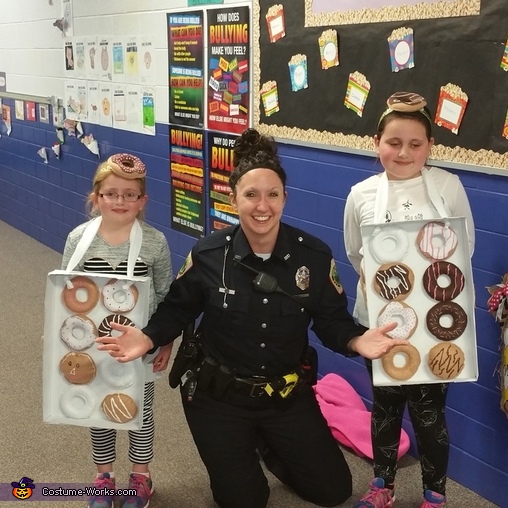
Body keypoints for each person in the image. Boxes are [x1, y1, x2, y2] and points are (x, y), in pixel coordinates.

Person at [97, 128, 407, 508]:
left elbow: (330, 320)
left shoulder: (313, 255)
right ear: (234, 198)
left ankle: (267, 445)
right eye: (251, 195)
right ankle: (241, 452)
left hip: (285, 395)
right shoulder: (209, 254)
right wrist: (146, 337)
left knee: (333, 490)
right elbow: (177, 307)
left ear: (284, 198)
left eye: (272, 195)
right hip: (218, 396)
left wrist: (357, 340)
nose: (263, 206)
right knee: (245, 501)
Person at [343, 92, 475, 508]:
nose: (403, 153)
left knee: (430, 413)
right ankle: (382, 484)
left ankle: (435, 495)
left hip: (435, 319)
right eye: (393, 142)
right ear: (376, 142)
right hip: (380, 322)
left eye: (415, 144)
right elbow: (355, 252)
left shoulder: (447, 186)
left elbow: (463, 249)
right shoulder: (361, 194)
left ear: (429, 146)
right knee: (385, 406)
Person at [61, 153, 173, 508]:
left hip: (141, 344)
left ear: (143, 201)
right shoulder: (78, 239)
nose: (120, 201)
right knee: (98, 410)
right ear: (96, 197)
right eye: (111, 193)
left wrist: (166, 341)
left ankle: (141, 475)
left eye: (129, 194)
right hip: (90, 344)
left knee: (138, 412)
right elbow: (63, 293)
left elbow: (168, 296)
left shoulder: (154, 242)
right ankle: (104, 475)